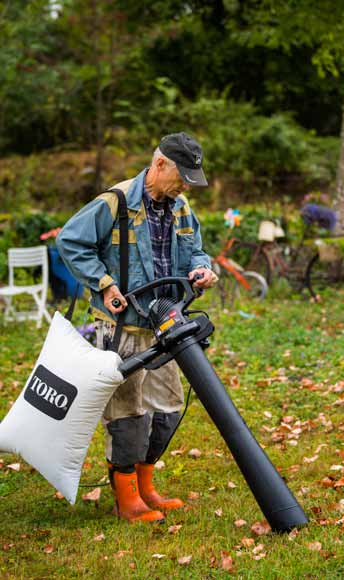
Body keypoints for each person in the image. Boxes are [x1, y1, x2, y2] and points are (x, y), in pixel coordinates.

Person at [57, 132, 216, 523]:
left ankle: (147, 486)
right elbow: (71, 241)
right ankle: (126, 496)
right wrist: (105, 282)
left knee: (168, 409)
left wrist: (201, 267)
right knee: (128, 412)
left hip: (167, 324)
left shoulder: (180, 207)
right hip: (123, 326)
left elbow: (195, 247)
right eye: (182, 176)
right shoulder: (115, 202)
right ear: (160, 164)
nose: (185, 186)